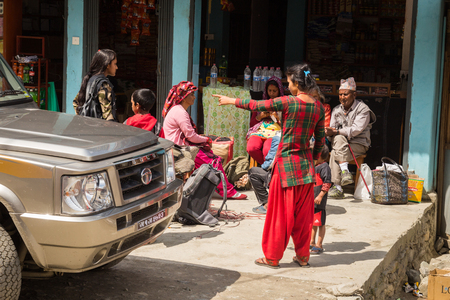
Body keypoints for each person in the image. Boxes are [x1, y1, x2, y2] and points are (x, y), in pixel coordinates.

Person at [214, 63, 325, 268]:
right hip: (306, 170)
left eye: (289, 81)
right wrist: (315, 158)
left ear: (296, 83)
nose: (287, 85)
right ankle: (302, 257)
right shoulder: (318, 107)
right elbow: (320, 141)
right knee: (303, 218)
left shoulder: (289, 102)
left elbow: (258, 105)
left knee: (279, 216)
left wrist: (232, 100)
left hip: (285, 170)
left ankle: (272, 257)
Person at [162, 81, 247, 200]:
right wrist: (206, 139)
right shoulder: (180, 112)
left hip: (180, 146)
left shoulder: (179, 110)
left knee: (210, 157)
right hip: (179, 149)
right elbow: (191, 136)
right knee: (214, 161)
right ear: (184, 97)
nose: (194, 97)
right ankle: (229, 192)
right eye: (191, 95)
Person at [325, 77, 376, 199]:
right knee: (338, 140)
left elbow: (356, 129)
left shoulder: (363, 109)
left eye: (345, 94)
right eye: (340, 94)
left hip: (358, 144)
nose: (342, 97)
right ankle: (345, 172)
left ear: (354, 95)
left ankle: (337, 186)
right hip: (340, 143)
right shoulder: (336, 109)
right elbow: (332, 128)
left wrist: (337, 131)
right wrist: (329, 131)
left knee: (335, 153)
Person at [246, 77, 284, 165]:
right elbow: (252, 124)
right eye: (269, 90)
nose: (272, 93)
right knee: (251, 148)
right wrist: (260, 116)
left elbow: (287, 124)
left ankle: (266, 169)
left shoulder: (283, 104)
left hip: (275, 132)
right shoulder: (261, 103)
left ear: (279, 91)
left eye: (274, 91)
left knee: (268, 150)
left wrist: (277, 118)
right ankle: (267, 167)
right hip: (259, 131)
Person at [73, 49, 118, 121]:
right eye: (115, 64)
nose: (116, 67)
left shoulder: (90, 79)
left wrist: (82, 116)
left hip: (88, 125)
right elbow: (107, 114)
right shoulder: (103, 84)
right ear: (107, 65)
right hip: (99, 127)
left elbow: (76, 102)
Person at [310, 146, 332, 255]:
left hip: (319, 202)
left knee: (320, 223)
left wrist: (320, 196)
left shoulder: (325, 167)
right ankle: (312, 242)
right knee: (313, 222)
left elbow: (327, 183)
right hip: (312, 201)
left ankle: (319, 244)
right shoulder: (314, 166)